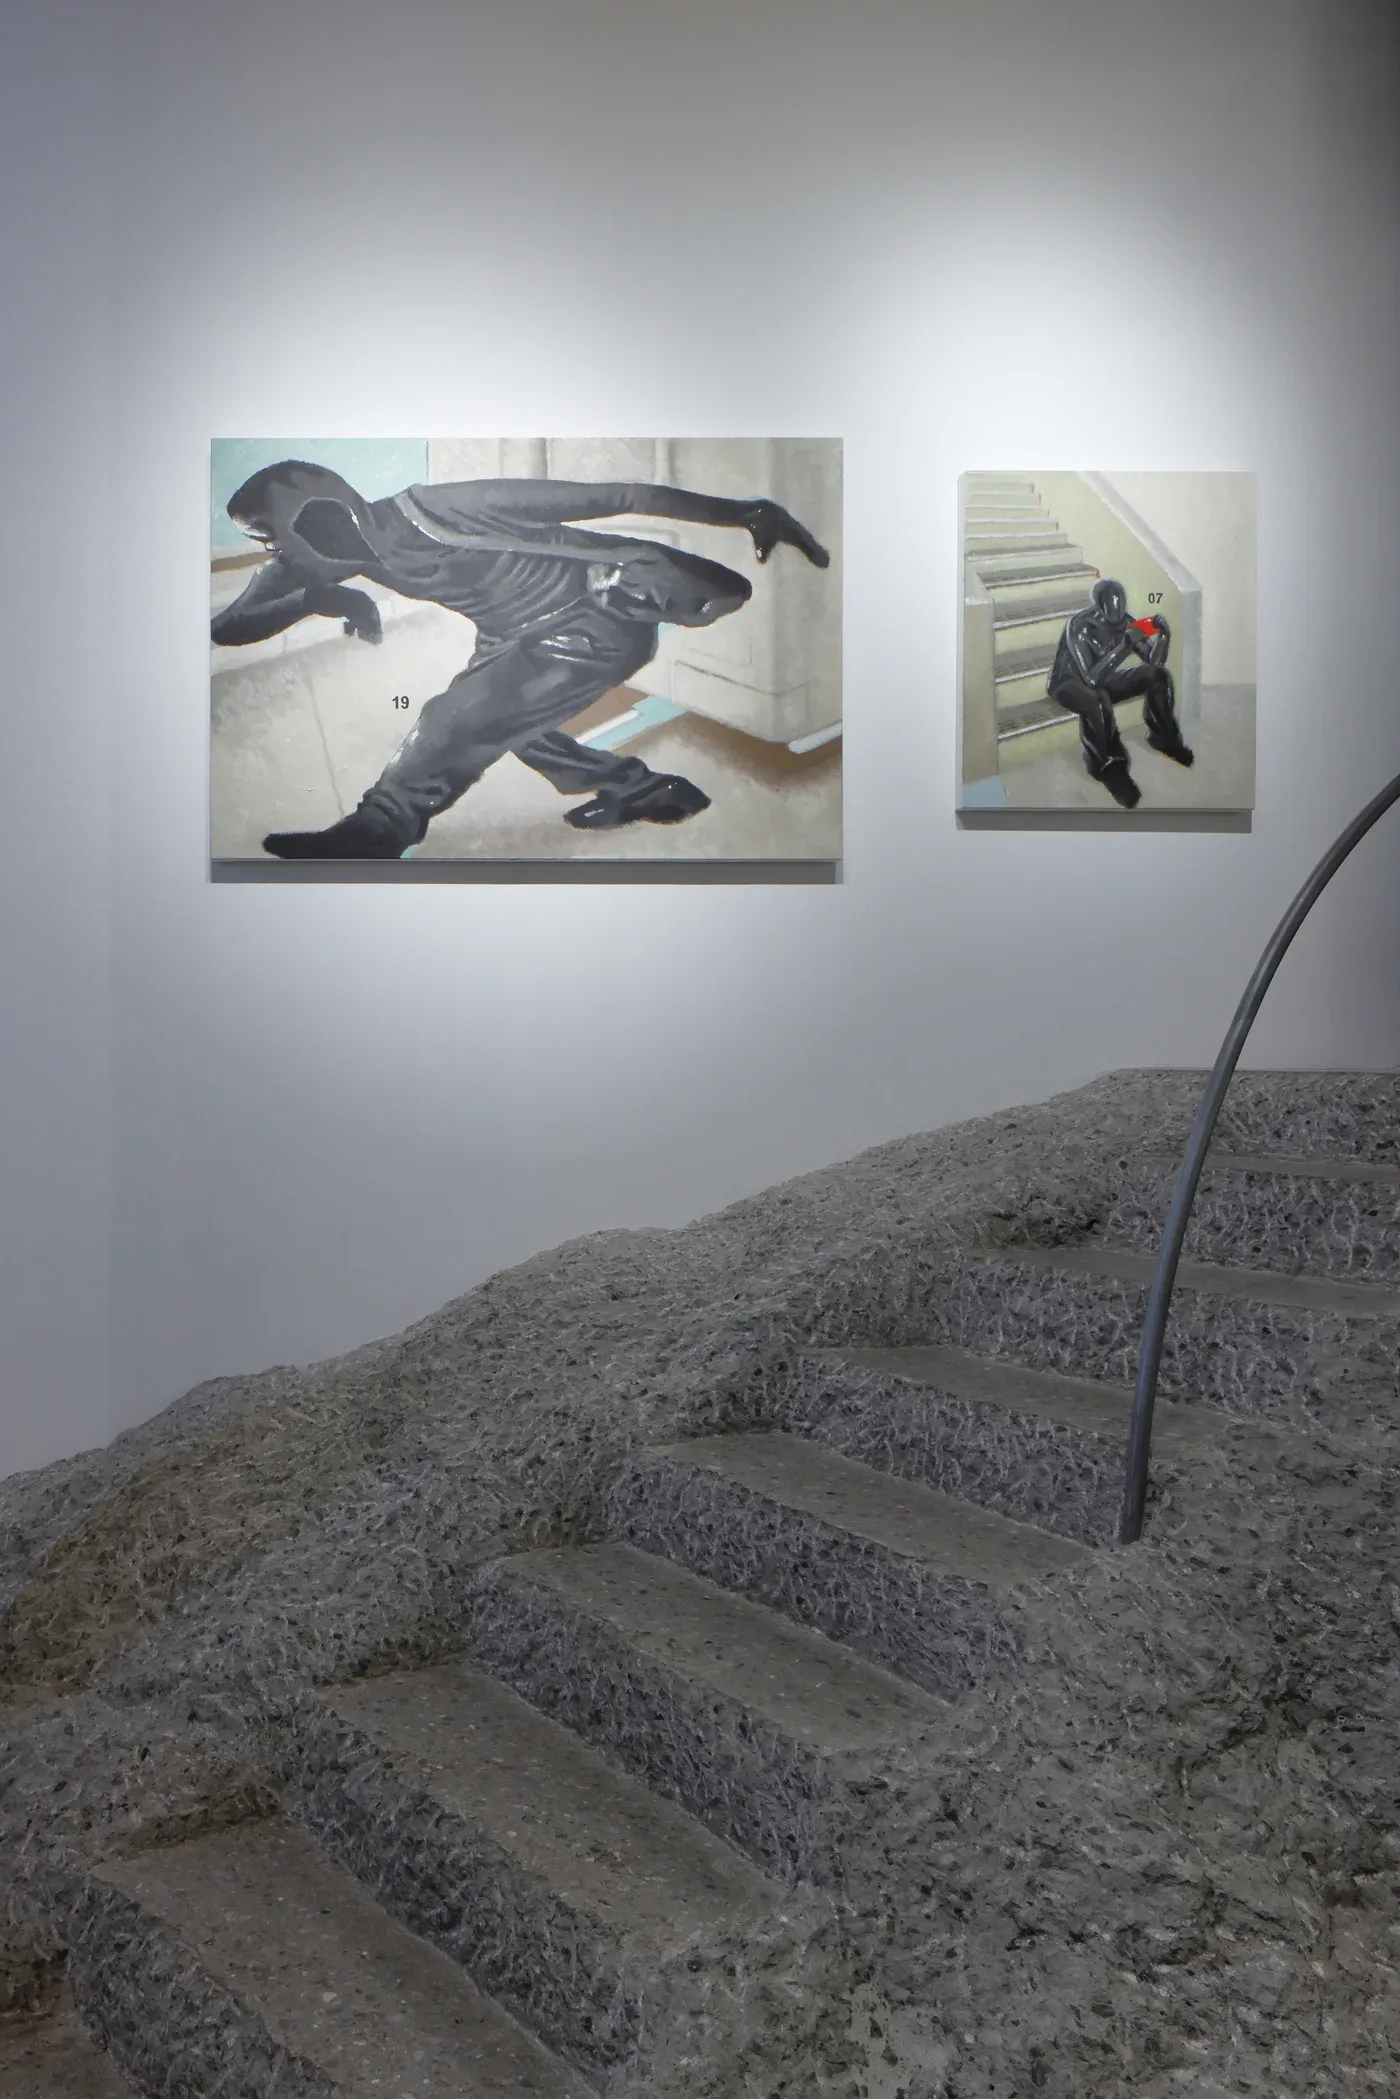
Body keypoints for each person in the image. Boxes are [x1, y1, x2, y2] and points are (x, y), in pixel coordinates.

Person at [212, 461, 830, 857]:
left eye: (290, 534)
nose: (286, 553)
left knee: (454, 721)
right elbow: (230, 628)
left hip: (594, 619)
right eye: (270, 544)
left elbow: (618, 494)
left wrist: (747, 513)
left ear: (334, 509)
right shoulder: (306, 562)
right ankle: (649, 792)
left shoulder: (445, 506)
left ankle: (379, 830)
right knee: (515, 727)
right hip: (508, 639)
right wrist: (326, 594)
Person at [1046, 577, 1194, 809]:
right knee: (1096, 699)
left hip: (1102, 677)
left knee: (1158, 677)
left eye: (1121, 608)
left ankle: (1165, 737)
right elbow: (1091, 679)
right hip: (1068, 683)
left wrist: (1163, 637)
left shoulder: (1128, 623)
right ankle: (1107, 765)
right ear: (1099, 607)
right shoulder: (1079, 626)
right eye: (1111, 611)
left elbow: (1154, 662)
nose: (1119, 617)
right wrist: (1124, 646)